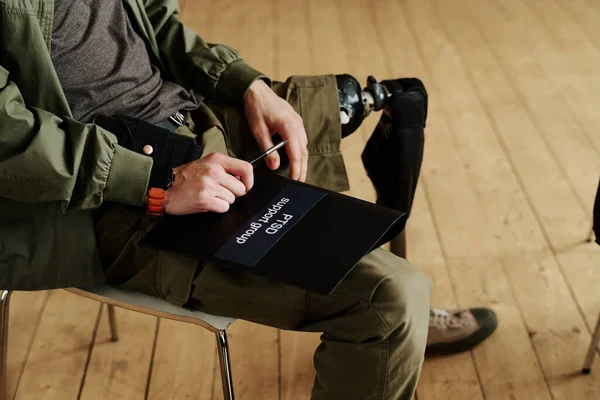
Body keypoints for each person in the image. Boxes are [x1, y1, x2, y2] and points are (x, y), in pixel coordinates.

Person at [0, 0, 497, 398]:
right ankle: (391, 330)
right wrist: (155, 181)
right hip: (104, 196)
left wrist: (246, 83)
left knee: (402, 100)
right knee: (391, 301)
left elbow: (153, 16)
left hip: (191, 118)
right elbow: (8, 136)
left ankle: (394, 349)